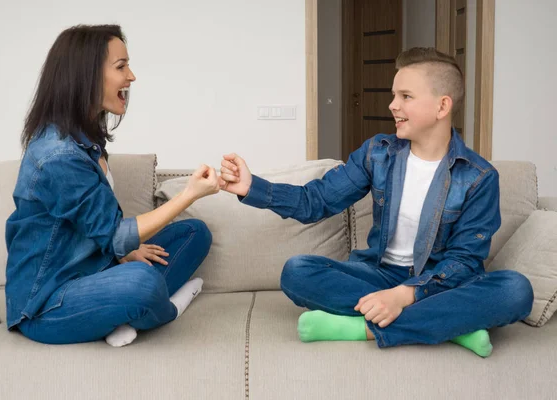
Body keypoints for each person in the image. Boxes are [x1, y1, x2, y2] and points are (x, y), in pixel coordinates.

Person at [219, 47, 533, 357]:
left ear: (442, 106)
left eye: (406, 96)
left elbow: (463, 262)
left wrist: (405, 295)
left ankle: (363, 329)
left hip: (441, 284)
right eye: (394, 95)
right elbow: (314, 201)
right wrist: (251, 187)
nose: (392, 105)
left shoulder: (479, 176)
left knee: (516, 289)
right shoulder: (377, 153)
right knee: (297, 271)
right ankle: (450, 324)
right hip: (380, 275)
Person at [5, 24, 219, 347]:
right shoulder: (56, 155)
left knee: (195, 233)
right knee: (144, 283)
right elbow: (116, 233)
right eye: (121, 67)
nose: (131, 76)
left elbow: (97, 227)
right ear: (86, 75)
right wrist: (189, 193)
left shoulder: (85, 138)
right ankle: (168, 308)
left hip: (95, 271)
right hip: (47, 303)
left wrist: (124, 254)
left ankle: (117, 315)